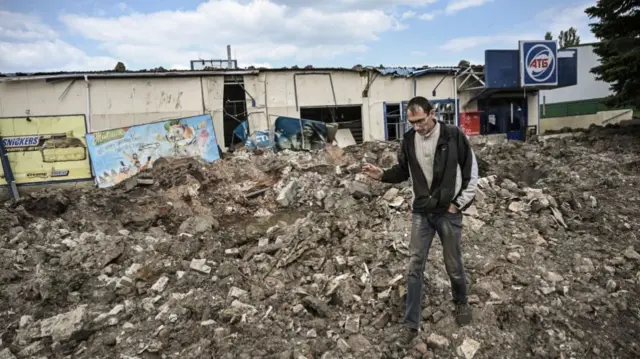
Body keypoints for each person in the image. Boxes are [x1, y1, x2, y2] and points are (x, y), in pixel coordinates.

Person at [362, 96, 478, 346]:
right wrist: (381, 175)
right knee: (414, 266)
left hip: (448, 212)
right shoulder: (408, 140)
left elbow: (471, 171)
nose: (416, 127)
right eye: (412, 122)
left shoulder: (452, 135)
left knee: (454, 264)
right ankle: (411, 325)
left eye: (420, 121)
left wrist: (458, 203)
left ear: (432, 113)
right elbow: (403, 171)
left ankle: (461, 302)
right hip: (421, 212)